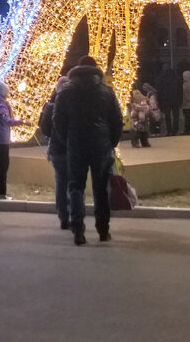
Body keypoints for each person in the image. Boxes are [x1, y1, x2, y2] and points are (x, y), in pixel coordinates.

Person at [54, 56, 124, 245]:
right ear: (96, 71)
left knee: (75, 186)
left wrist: (67, 139)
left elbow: (58, 121)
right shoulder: (106, 92)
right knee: (101, 188)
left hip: (76, 144)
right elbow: (117, 121)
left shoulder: (66, 92)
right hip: (100, 145)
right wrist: (110, 142)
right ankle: (103, 230)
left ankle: (78, 231)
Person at [39, 77, 70, 229]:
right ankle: (74, 212)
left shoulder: (51, 106)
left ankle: (63, 215)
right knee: (75, 183)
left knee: (60, 182)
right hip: (72, 149)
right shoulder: (74, 105)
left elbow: (44, 129)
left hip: (56, 149)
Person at [0, 80, 23, 200]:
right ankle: (1, 193)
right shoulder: (1, 105)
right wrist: (22, 122)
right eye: (7, 92)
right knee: (2, 167)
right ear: (3, 92)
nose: (8, 95)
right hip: (1, 139)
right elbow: (7, 121)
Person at [156, 64, 181, 136]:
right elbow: (180, 90)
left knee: (167, 116)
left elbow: (160, 90)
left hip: (166, 100)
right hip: (175, 100)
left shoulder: (162, 77)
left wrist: (160, 100)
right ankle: (175, 130)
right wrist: (180, 100)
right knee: (176, 115)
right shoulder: (176, 77)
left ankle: (169, 130)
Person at [128, 83, 152, 148]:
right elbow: (145, 100)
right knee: (143, 128)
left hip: (135, 114)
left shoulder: (132, 94)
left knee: (135, 129)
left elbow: (131, 104)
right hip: (142, 113)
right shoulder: (139, 93)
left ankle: (135, 143)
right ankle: (145, 142)